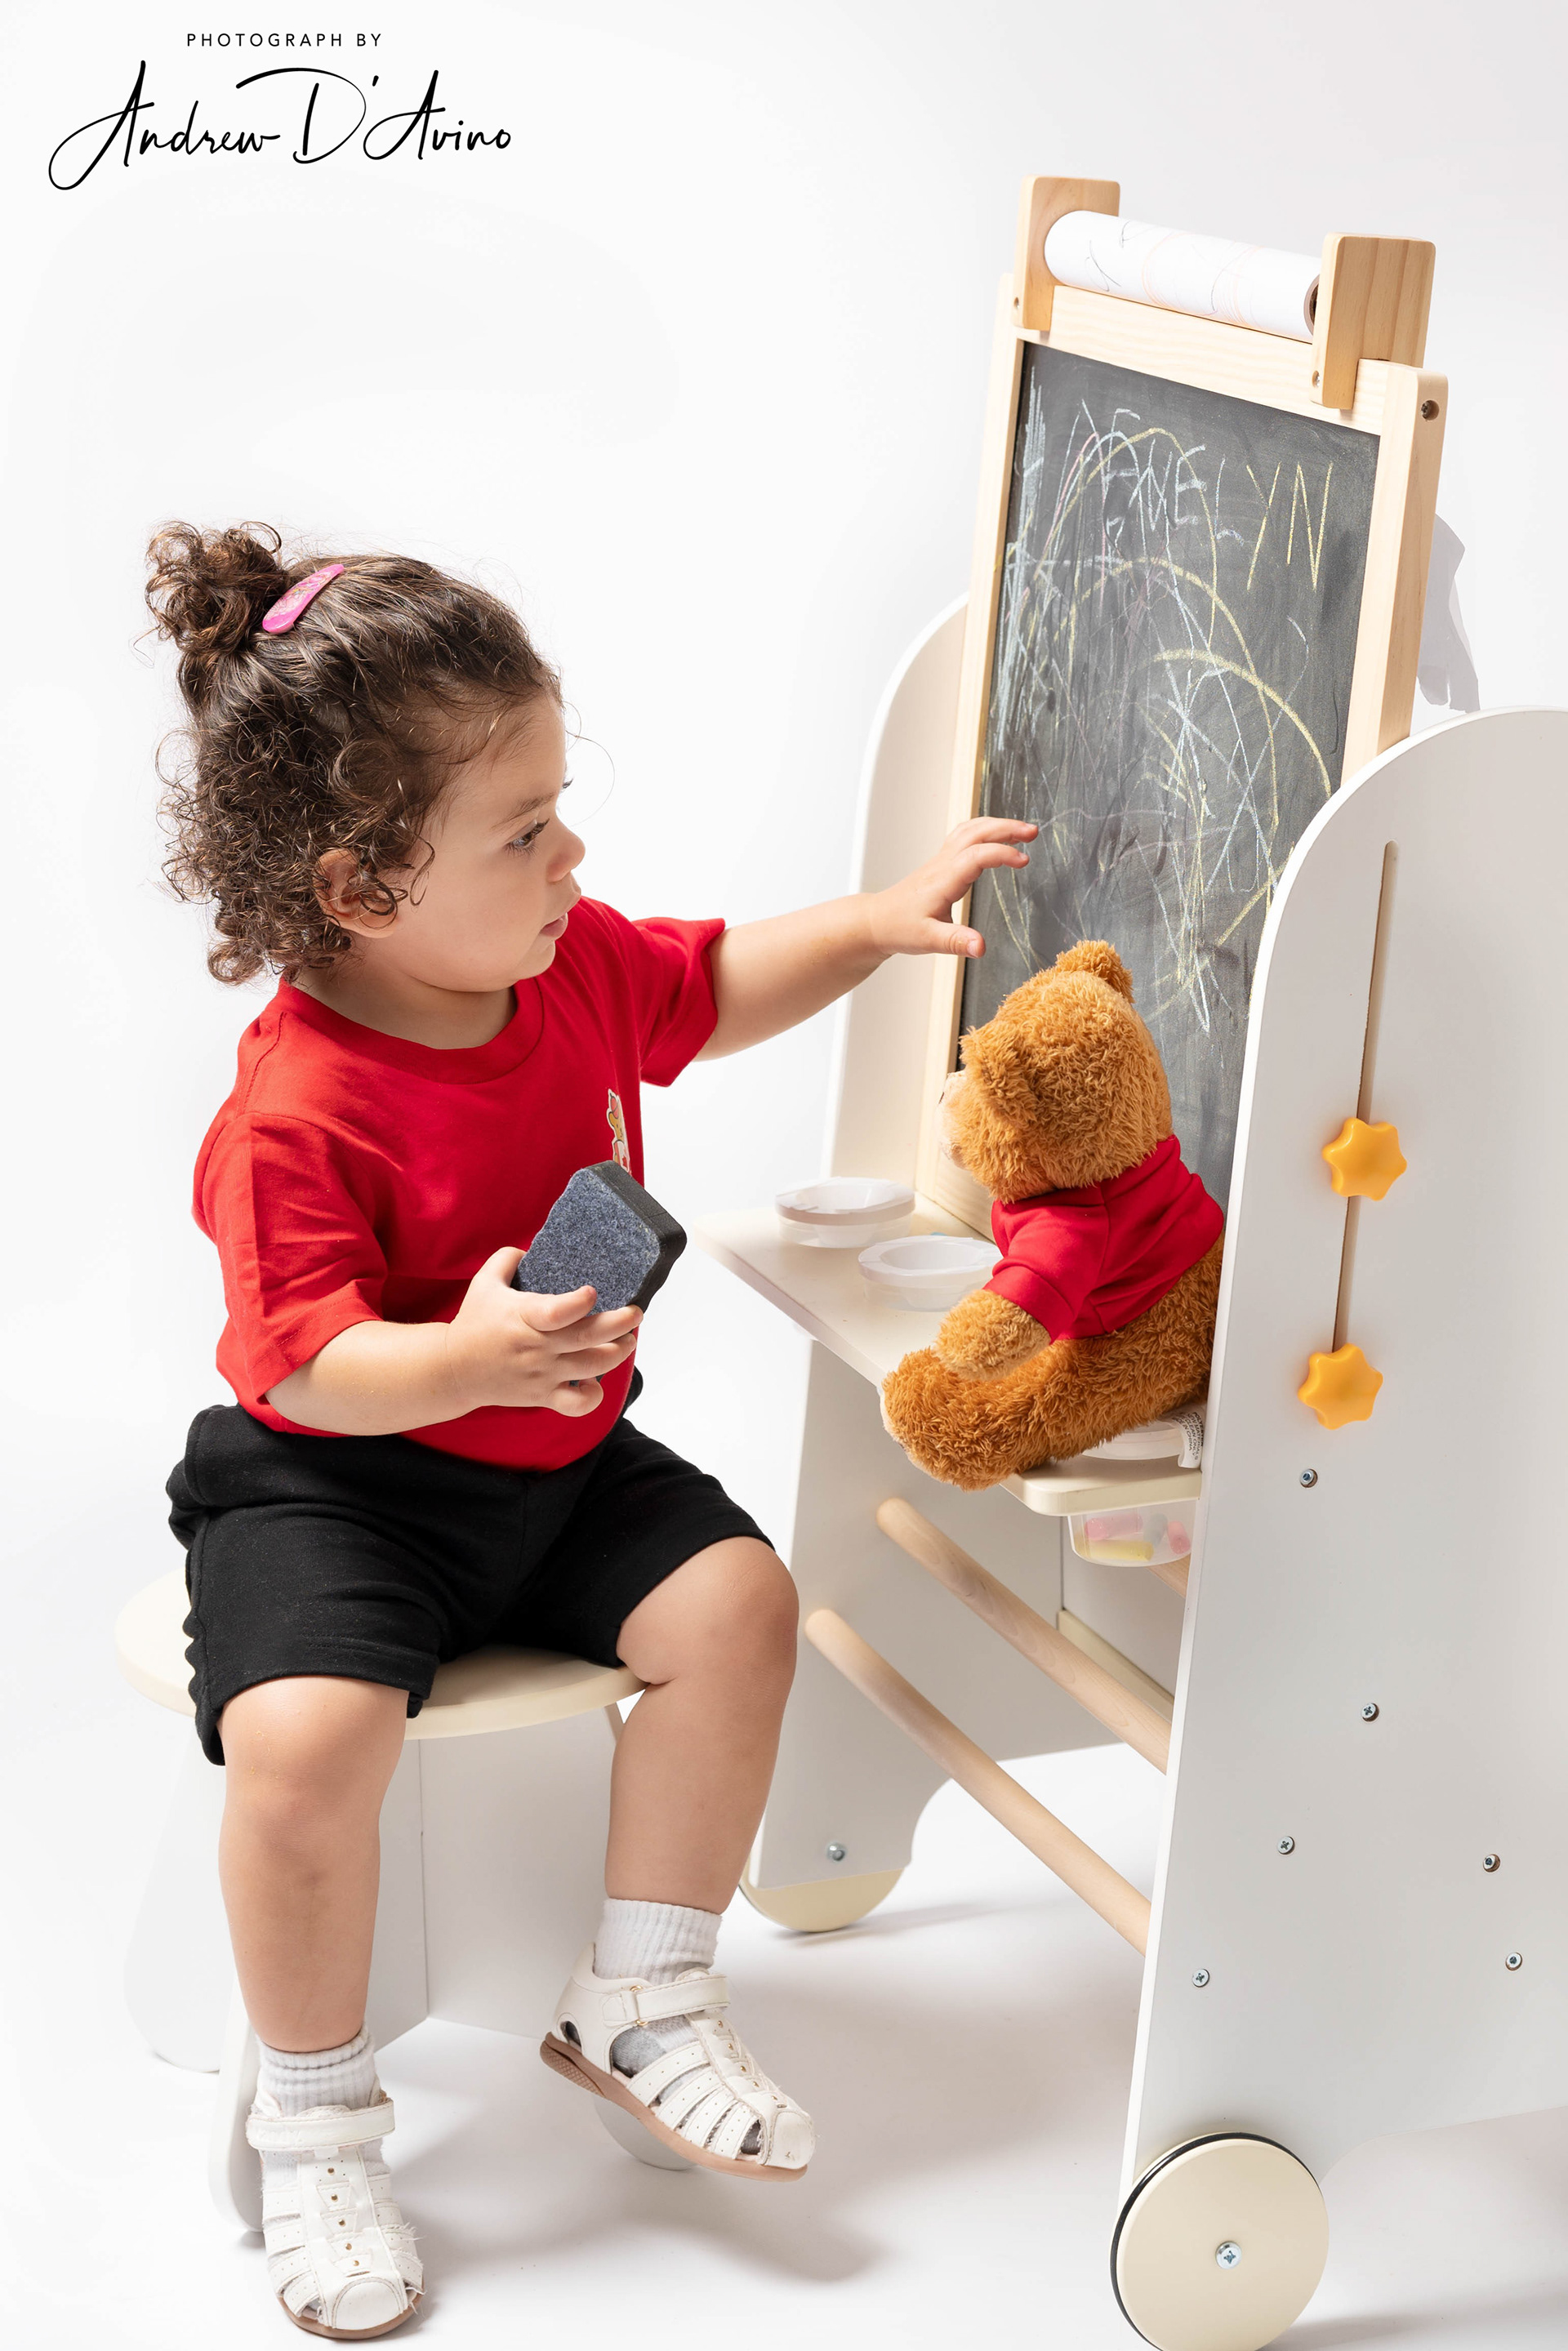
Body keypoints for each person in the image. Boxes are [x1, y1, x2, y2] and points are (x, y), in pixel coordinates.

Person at [149, 523, 1035, 2338]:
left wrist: (875, 922)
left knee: (741, 1609)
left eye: (560, 810)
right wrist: (458, 1359)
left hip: (552, 1466)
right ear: (361, 887)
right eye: (527, 830)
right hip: (338, 1490)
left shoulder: (566, 975)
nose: (574, 855)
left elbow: (715, 983)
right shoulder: (298, 1110)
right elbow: (302, 1364)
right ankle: (319, 2119)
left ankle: (642, 1992)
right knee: (305, 1746)